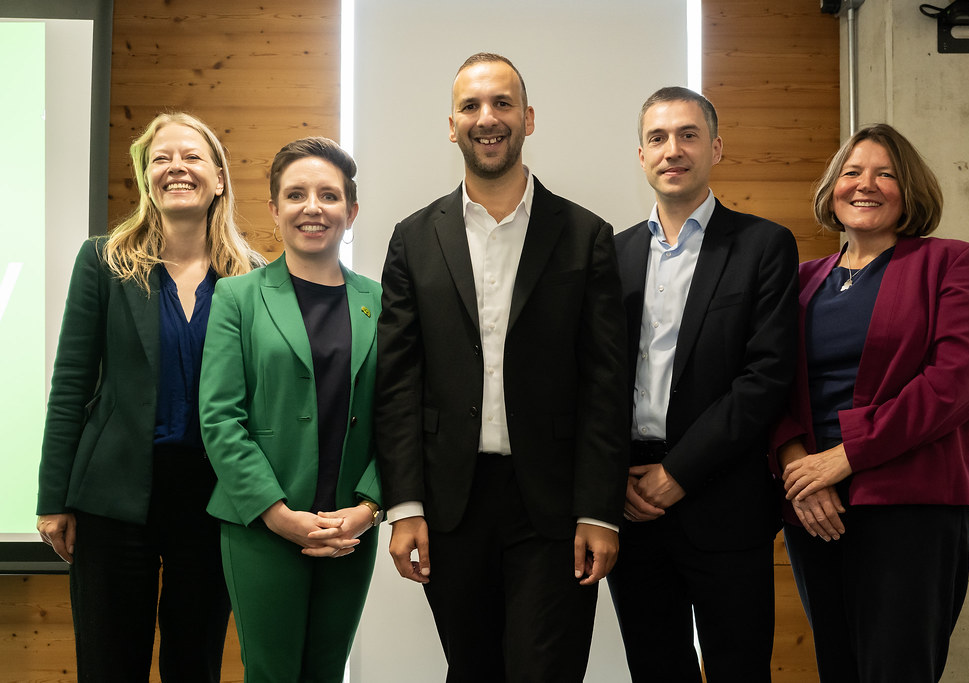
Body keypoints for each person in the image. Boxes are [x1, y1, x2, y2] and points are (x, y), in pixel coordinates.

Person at [375, 52, 630, 682]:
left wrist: (599, 510)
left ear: (529, 118)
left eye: (502, 103)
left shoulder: (586, 235)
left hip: (553, 503)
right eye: (471, 106)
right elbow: (398, 381)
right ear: (452, 124)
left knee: (545, 670)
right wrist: (404, 503)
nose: (487, 119)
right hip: (448, 503)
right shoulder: (412, 238)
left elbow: (606, 380)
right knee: (473, 670)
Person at [35, 112, 262, 682]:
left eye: (191, 157)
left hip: (215, 500)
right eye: (161, 158)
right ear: (145, 177)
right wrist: (51, 498)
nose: (176, 168)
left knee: (196, 662)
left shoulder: (253, 278)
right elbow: (70, 386)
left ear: (218, 176)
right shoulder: (103, 262)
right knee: (111, 663)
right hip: (113, 497)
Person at [773, 123, 969, 682]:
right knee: (838, 667)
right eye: (851, 172)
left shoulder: (954, 262)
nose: (865, 184)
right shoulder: (799, 281)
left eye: (885, 174)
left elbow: (955, 384)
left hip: (912, 499)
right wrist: (800, 467)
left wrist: (846, 455)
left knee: (898, 669)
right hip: (814, 502)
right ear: (832, 188)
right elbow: (768, 383)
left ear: (909, 189)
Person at [607, 86, 799, 682]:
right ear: (641, 155)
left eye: (688, 135)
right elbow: (593, 380)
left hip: (723, 498)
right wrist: (613, 478)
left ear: (715, 147)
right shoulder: (610, 256)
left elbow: (766, 377)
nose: (674, 150)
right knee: (655, 669)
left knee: (740, 669)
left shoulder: (763, 245)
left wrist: (679, 473)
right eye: (658, 138)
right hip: (630, 502)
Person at [199, 137, 382, 682]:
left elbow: (401, 419)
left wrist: (369, 507)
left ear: (351, 212)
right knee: (272, 674)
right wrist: (278, 515)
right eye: (296, 194)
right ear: (275, 208)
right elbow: (220, 419)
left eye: (329, 195)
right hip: (261, 527)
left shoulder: (383, 301)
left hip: (349, 526)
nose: (313, 207)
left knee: (326, 672)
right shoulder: (237, 297)